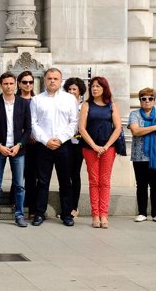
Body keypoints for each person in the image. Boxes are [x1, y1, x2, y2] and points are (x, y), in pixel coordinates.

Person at [30, 68, 78, 227]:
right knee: (42, 181)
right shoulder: (37, 99)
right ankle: (39, 213)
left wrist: (61, 139)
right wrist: (45, 140)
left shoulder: (70, 99)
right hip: (43, 147)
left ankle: (66, 214)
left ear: (61, 80)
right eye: (49, 78)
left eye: (55, 78)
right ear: (44, 80)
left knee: (65, 181)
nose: (52, 81)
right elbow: (33, 123)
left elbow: (74, 122)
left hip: (64, 146)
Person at [0, 72, 31, 227]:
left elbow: (28, 129)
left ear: (16, 84)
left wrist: (19, 145)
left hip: (18, 149)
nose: (9, 86)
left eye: (11, 83)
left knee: (19, 184)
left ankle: (19, 215)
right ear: (1, 85)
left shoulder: (23, 103)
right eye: (5, 84)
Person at [78, 77, 122, 229]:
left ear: (104, 88)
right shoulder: (86, 105)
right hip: (90, 148)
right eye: (92, 86)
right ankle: (95, 215)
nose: (94, 89)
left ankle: (104, 215)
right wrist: (95, 146)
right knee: (94, 181)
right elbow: (82, 129)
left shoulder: (111, 106)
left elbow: (118, 128)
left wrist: (106, 146)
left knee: (105, 182)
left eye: (98, 86)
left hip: (108, 148)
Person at [128, 88, 156, 224]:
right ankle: (142, 212)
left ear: (154, 100)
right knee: (141, 185)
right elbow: (135, 131)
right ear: (140, 101)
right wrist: (155, 127)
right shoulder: (134, 114)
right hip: (139, 156)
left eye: (150, 98)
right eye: (143, 98)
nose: (147, 101)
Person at [63, 77, 87, 218]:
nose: (71, 91)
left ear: (80, 91)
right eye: (69, 89)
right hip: (66, 142)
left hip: (79, 143)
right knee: (65, 175)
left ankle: (74, 207)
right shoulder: (63, 103)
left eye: (74, 89)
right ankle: (66, 206)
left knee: (75, 174)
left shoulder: (84, 105)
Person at [17, 71, 38, 218]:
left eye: (30, 82)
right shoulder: (15, 100)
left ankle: (31, 207)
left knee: (32, 174)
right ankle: (15, 201)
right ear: (19, 84)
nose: (28, 85)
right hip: (19, 141)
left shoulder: (37, 100)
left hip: (34, 142)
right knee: (18, 173)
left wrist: (34, 134)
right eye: (25, 82)